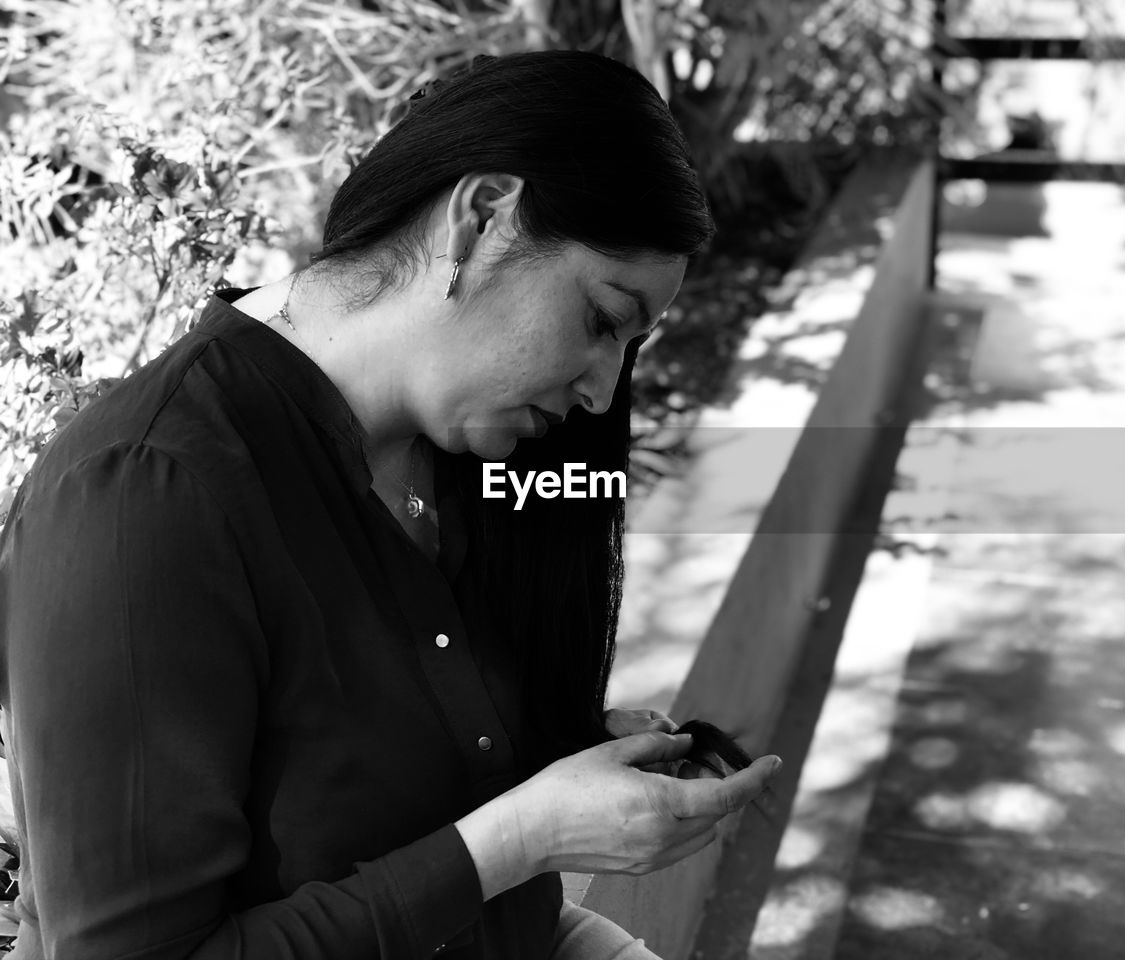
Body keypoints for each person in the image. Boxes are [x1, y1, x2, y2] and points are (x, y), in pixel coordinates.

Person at [0, 50, 781, 959]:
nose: (606, 393)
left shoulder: (477, 450)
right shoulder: (149, 495)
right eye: (603, 321)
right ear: (485, 216)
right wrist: (522, 836)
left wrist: (571, 765)